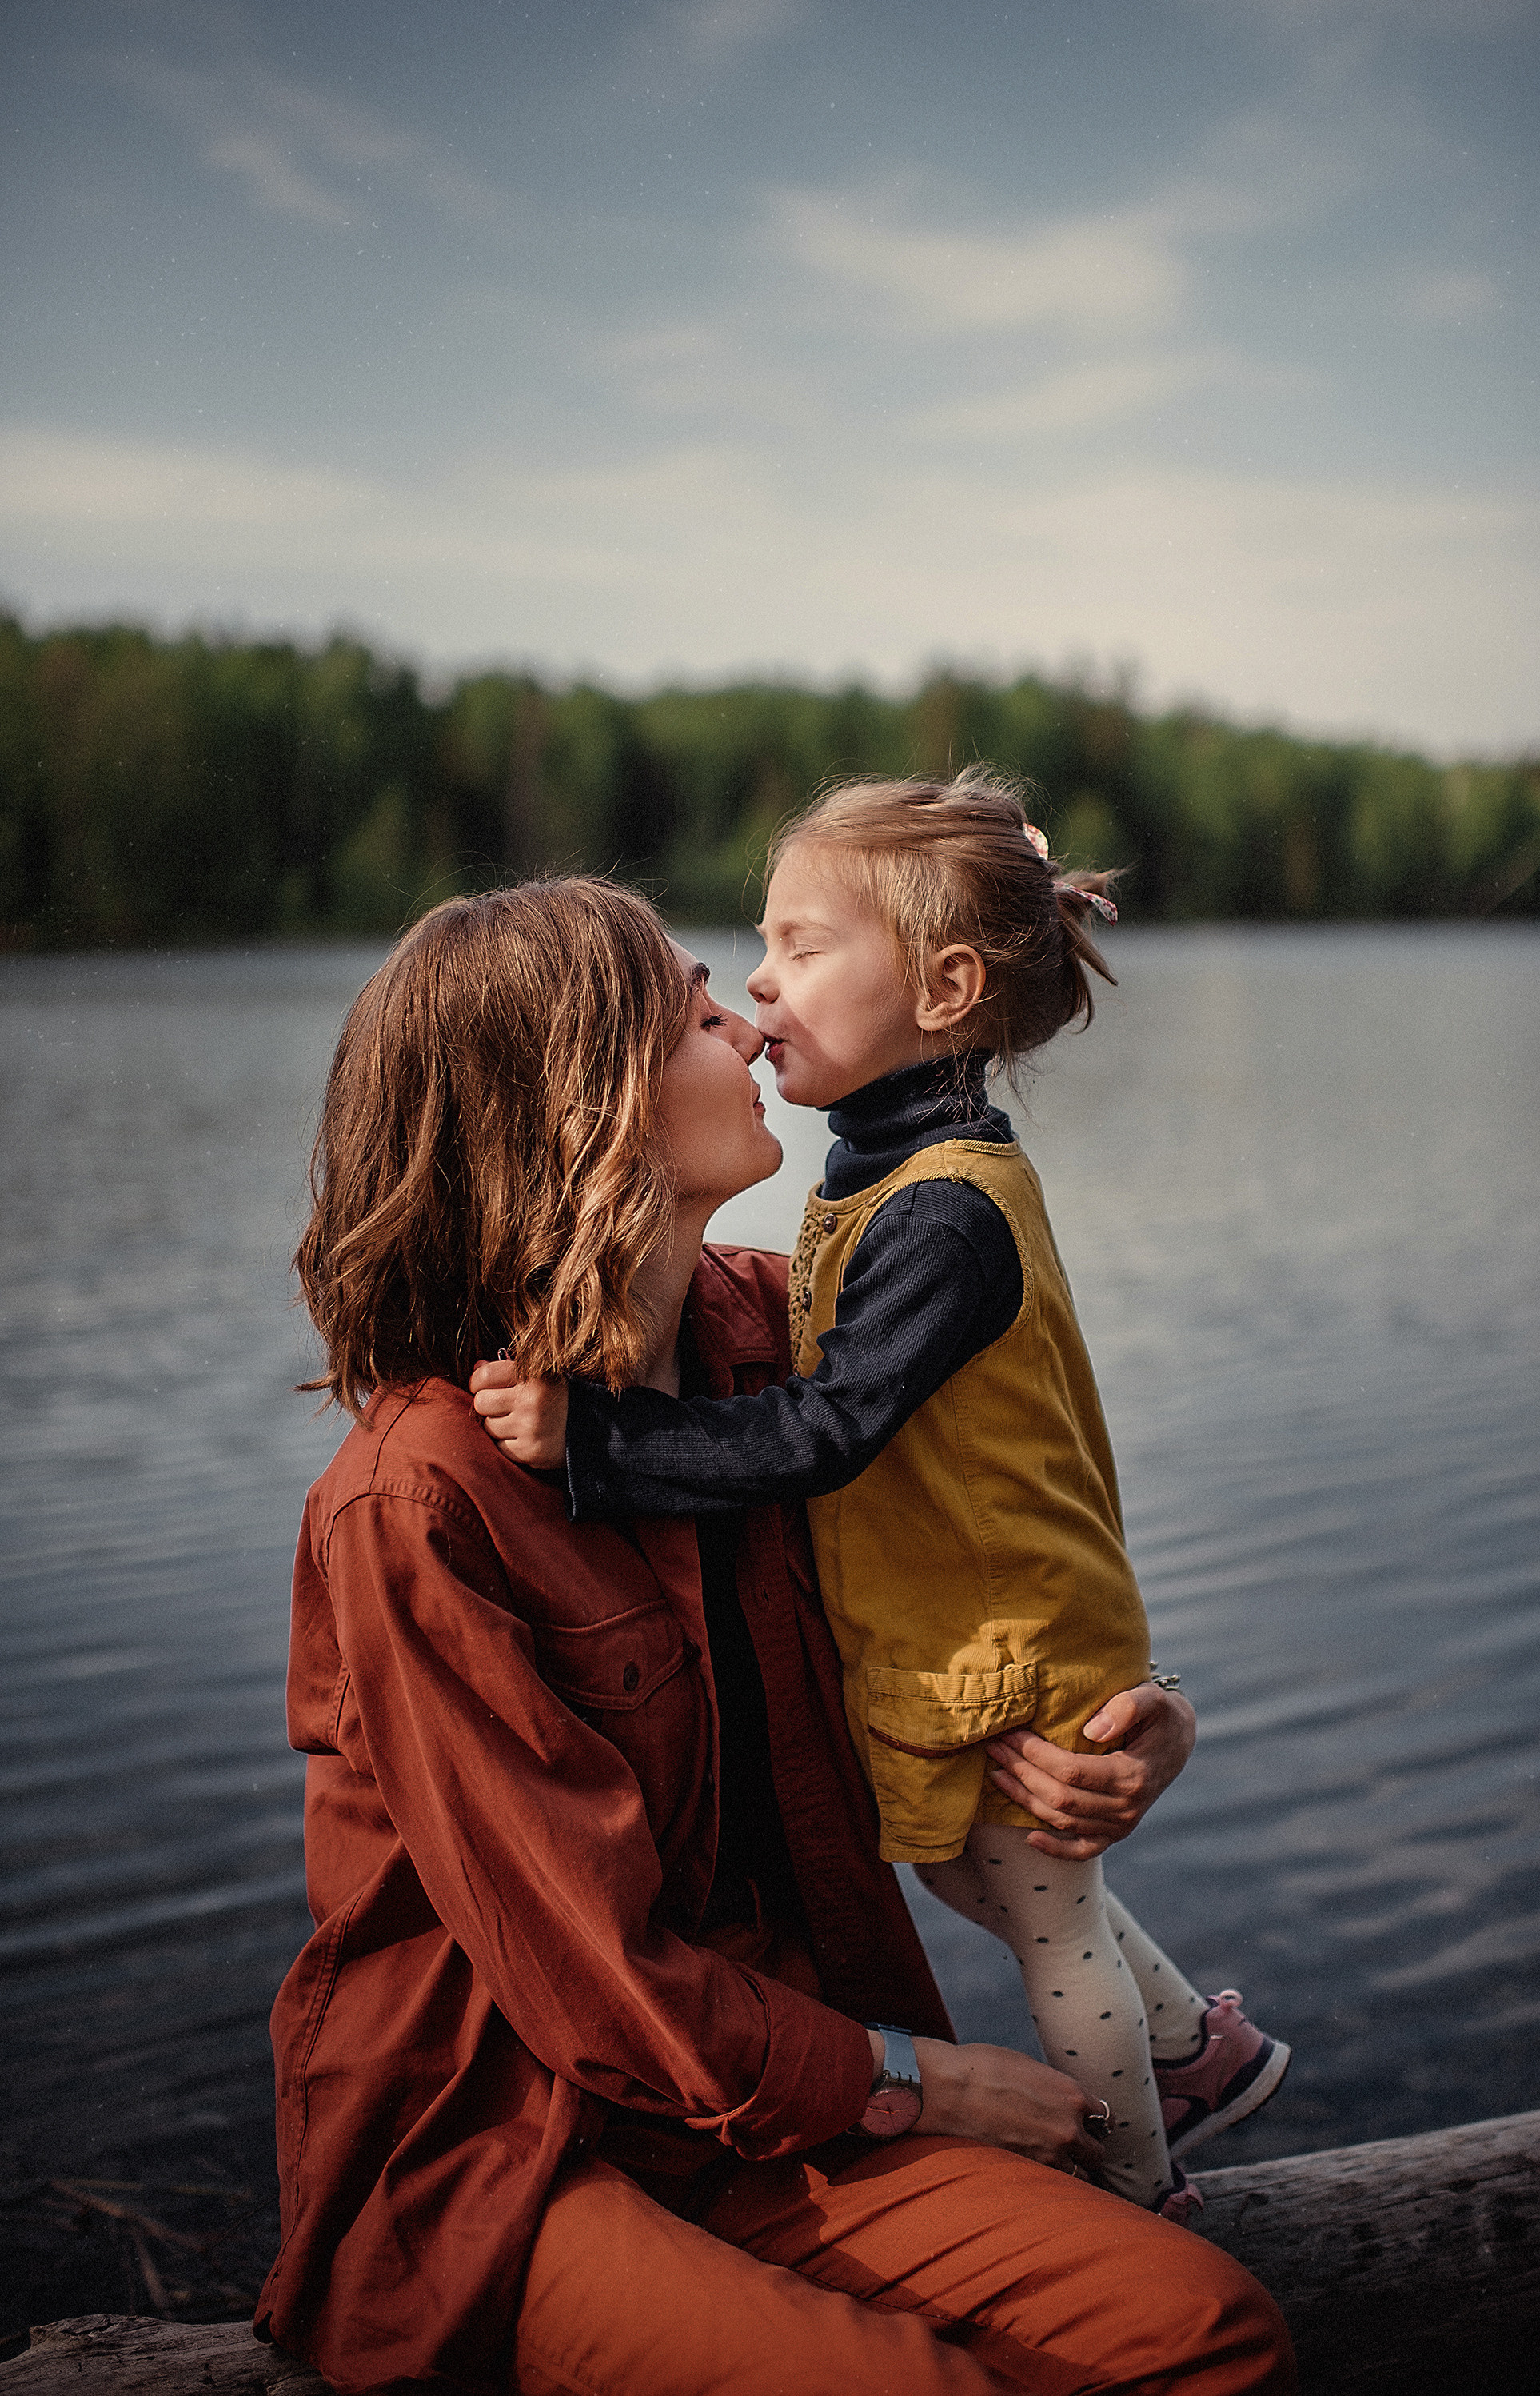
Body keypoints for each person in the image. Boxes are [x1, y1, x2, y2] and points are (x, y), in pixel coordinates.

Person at [259, 877, 1295, 2394]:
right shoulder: (420, 1502)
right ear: (578, 1112)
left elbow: (1003, 1532)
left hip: (783, 2098)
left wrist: (1144, 1714)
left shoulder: (785, 1348)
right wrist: (917, 2082)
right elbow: (587, 1976)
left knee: (1207, 2335)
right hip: (521, 2154)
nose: (749, 1028)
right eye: (692, 1014)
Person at [471, 775, 1289, 2218]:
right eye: (741, 966)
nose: (760, 992)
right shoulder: (886, 1191)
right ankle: (1193, 2055)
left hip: (1002, 1649)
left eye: (795, 949)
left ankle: (1141, 2185)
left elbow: (825, 1428)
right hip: (978, 1634)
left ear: (944, 987)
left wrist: (597, 1449)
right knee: (1002, 1891)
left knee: (1046, 1922)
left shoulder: (943, 1210)